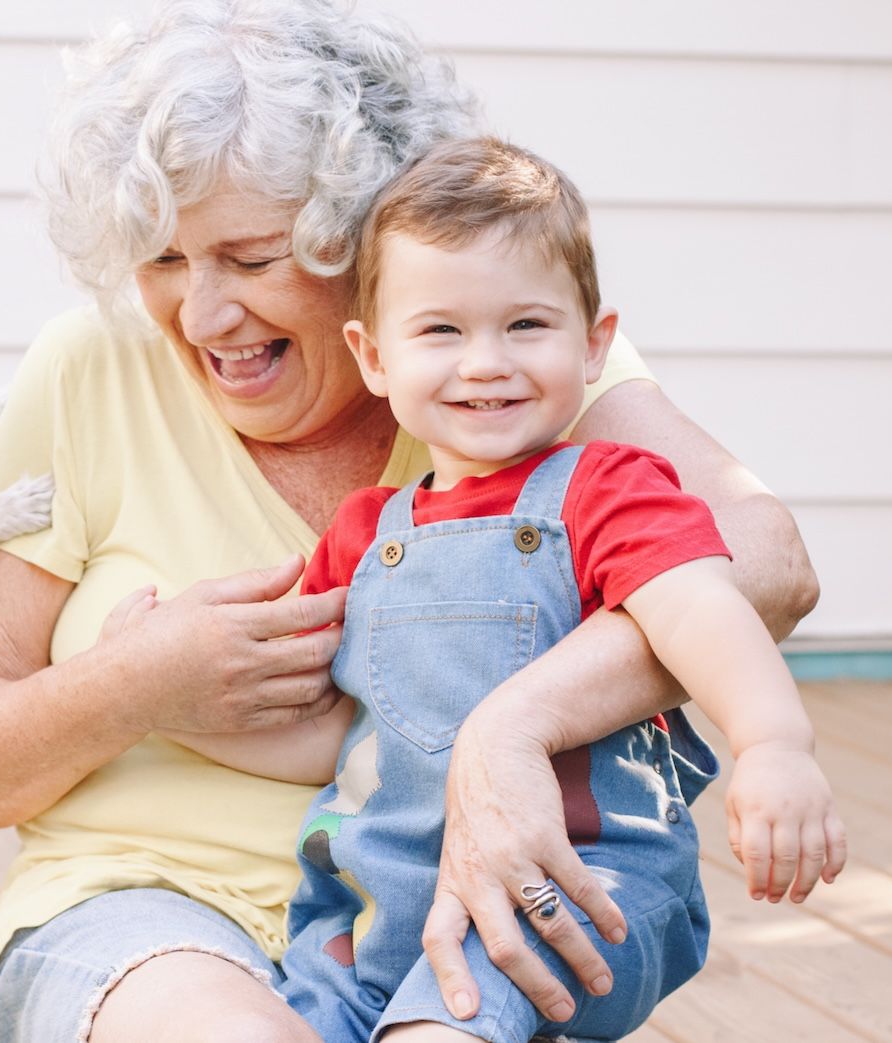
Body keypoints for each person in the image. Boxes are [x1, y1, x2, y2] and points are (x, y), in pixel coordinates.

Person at [0, 2, 822, 1039]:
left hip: (463, 909)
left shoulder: (493, 359)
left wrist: (506, 730)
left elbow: (763, 559)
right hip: (144, 905)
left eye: (250, 258)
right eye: (159, 260)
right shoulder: (87, 366)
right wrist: (134, 682)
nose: (199, 315)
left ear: (371, 237)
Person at [139, 137, 847, 1043]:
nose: (484, 362)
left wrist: (774, 743)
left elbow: (701, 604)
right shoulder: (367, 532)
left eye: (525, 326)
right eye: (441, 330)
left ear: (594, 345)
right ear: (375, 356)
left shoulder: (608, 488)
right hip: (374, 913)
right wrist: (164, 702)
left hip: (570, 890)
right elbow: (333, 732)